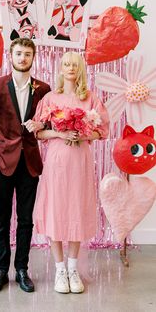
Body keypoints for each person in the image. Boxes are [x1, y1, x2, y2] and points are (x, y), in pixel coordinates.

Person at [31, 51, 109, 294]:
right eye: (66, 64)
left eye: (74, 64)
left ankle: (73, 269)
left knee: (76, 207)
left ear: (80, 69)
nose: (70, 68)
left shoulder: (90, 99)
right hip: (56, 161)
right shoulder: (50, 98)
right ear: (60, 69)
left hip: (79, 161)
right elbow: (38, 132)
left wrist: (84, 134)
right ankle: (60, 270)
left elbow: (102, 130)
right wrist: (60, 133)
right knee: (56, 209)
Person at [0, 38, 51, 294]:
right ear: (11, 56)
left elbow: (51, 122)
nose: (22, 58)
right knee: (2, 219)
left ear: (33, 58)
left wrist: (42, 126)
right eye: (19, 53)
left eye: (27, 54)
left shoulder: (43, 88)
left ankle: (22, 269)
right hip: (0, 160)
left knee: (25, 220)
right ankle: (1, 270)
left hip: (29, 161)